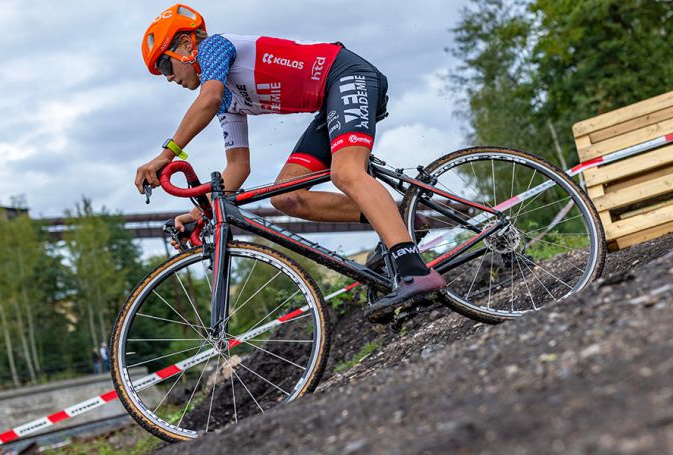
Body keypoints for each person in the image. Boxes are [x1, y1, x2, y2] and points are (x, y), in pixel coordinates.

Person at [134, 4, 446, 313]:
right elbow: (238, 168)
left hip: (347, 75)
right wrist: (198, 214)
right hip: (330, 100)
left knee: (346, 173)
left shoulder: (215, 48)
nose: (168, 78)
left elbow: (208, 97)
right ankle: (404, 219)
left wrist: (166, 155)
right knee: (287, 197)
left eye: (165, 65)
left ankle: (414, 271)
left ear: (187, 45)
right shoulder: (225, 100)